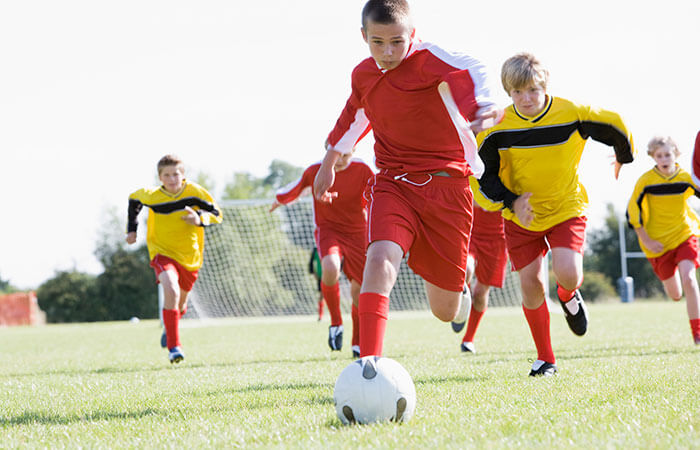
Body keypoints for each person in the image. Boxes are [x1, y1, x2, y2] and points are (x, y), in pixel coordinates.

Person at [314, 0, 501, 358]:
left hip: (448, 188)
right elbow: (354, 115)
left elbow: (473, 68)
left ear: (412, 34)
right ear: (364, 37)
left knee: (443, 310)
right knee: (379, 257)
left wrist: (484, 105)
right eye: (378, 42)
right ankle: (368, 363)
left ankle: (457, 291)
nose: (388, 52)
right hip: (393, 183)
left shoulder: (431, 59)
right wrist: (330, 160)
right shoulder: (364, 75)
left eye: (397, 42)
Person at [477, 52, 635, 376]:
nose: (526, 98)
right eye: (517, 93)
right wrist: (511, 200)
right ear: (508, 92)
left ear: (544, 84)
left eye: (533, 90)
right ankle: (546, 358)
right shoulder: (496, 128)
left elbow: (614, 123)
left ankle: (568, 295)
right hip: (521, 216)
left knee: (568, 274)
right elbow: (480, 177)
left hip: (566, 207)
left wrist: (623, 155)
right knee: (531, 285)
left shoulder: (571, 112)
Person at [271, 150, 374, 358]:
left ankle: (357, 342)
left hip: (358, 233)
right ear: (329, 151)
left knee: (358, 292)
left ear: (353, 152)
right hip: (329, 230)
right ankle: (336, 323)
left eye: (346, 155)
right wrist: (280, 199)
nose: (341, 161)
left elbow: (379, 192)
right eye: (337, 155)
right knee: (330, 267)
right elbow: (296, 187)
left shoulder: (363, 169)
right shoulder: (316, 170)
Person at [126, 154, 223, 363]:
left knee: (180, 304)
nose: (172, 179)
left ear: (183, 175)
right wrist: (132, 230)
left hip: (190, 256)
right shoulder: (152, 196)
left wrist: (199, 219)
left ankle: (171, 328)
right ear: (160, 177)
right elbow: (134, 200)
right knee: (170, 288)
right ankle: (174, 347)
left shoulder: (195, 192)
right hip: (162, 252)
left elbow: (217, 213)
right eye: (167, 175)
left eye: (176, 174)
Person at [627, 136, 700, 345]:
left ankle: (697, 333)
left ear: (676, 154)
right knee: (676, 295)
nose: (664, 158)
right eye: (659, 155)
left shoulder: (686, 177)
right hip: (657, 244)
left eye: (668, 154)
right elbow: (633, 213)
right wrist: (647, 240)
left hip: (684, 235)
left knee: (689, 279)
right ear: (653, 157)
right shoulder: (646, 181)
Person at [458, 176, 509, 354]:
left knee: (480, 293)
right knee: (467, 269)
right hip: (471, 231)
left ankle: (468, 339)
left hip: (498, 238)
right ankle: (459, 303)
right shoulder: (476, 159)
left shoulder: (510, 162)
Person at [308, 246, 326, 321]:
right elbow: (311, 263)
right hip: (320, 276)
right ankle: (320, 315)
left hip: (330, 274)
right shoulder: (315, 250)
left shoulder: (328, 247)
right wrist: (313, 272)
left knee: (330, 295)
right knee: (321, 295)